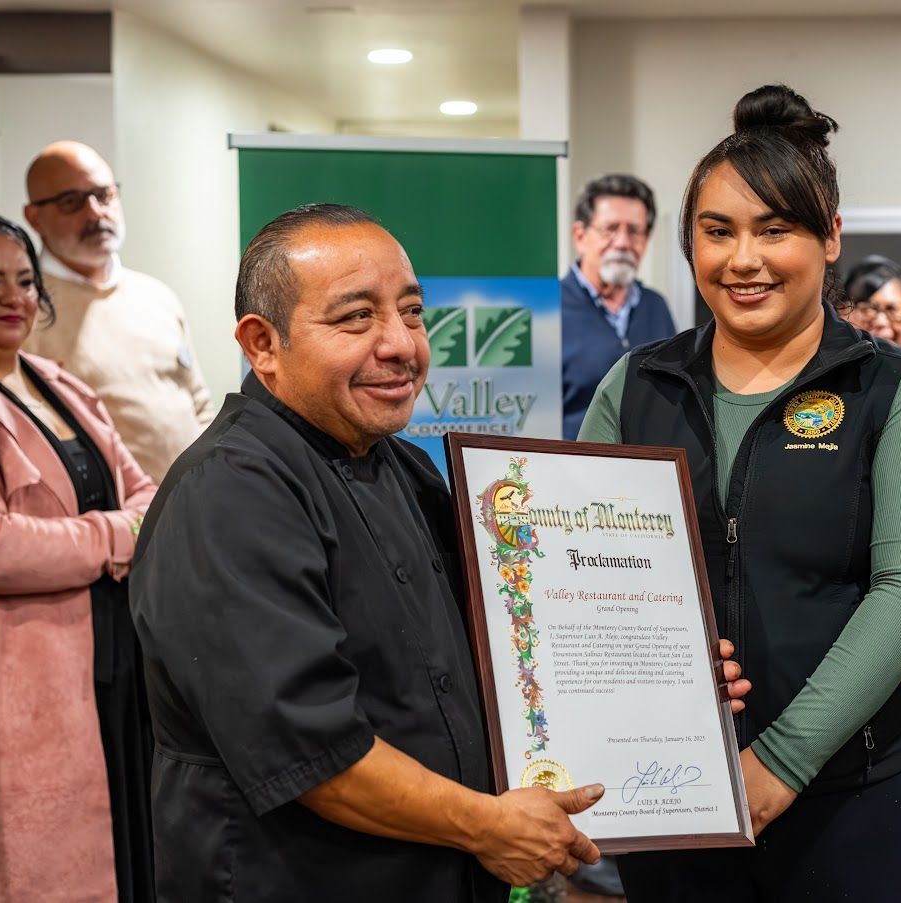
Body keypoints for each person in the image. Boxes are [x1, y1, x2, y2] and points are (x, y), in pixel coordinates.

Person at [129, 203, 749, 902]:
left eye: (413, 312)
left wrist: (659, 682)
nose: (400, 344)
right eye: (355, 317)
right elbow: (310, 750)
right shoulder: (231, 493)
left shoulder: (402, 467)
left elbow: (511, 648)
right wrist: (487, 825)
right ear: (261, 343)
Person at [579, 84, 901, 901]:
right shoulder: (637, 386)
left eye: (774, 229)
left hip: (848, 797)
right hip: (671, 788)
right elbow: (585, 584)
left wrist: (780, 758)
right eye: (716, 232)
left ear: (829, 238)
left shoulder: (890, 389)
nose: (742, 259)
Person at [0, 193, 157, 901]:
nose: (14, 296)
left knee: (131, 854)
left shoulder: (59, 383)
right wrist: (113, 536)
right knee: (44, 871)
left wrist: (116, 532)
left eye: (24, 279)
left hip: (119, 663)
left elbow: (147, 495)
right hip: (24, 684)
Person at [22, 140, 214, 481]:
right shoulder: (24, 313)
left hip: (194, 506)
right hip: (109, 522)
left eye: (104, 195)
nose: (95, 213)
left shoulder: (157, 296)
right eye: (72, 202)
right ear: (34, 217)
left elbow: (198, 403)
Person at [561, 174, 675, 440]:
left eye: (634, 231)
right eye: (610, 229)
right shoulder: (548, 311)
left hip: (644, 470)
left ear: (646, 240)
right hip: (569, 471)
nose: (623, 242)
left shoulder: (656, 306)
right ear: (580, 236)